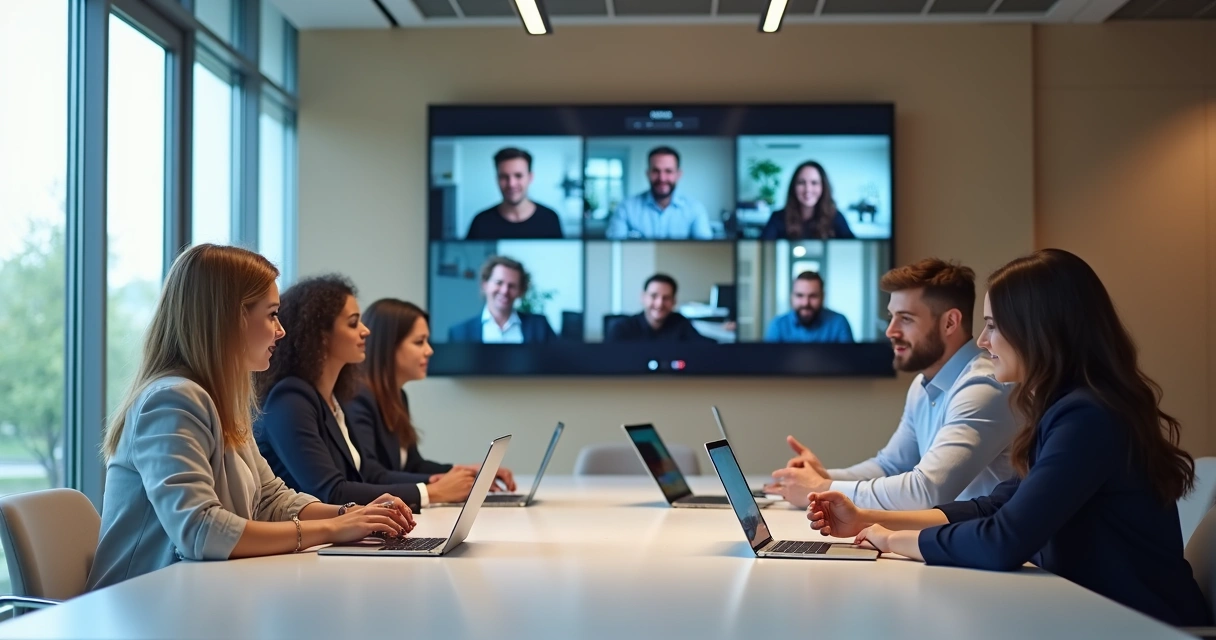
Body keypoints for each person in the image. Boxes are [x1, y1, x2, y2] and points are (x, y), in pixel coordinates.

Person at [807, 249, 1212, 627]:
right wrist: (867, 520)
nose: (983, 342)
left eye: (993, 326)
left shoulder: (1089, 417)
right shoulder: (1067, 409)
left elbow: (1004, 540)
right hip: (1093, 615)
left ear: (1039, 331)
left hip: (1143, 627)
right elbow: (992, 507)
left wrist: (893, 540)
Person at [87, 245, 414, 591]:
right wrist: (334, 529)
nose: (281, 330)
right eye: (272, 314)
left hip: (194, 596)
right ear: (230, 318)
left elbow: (272, 500)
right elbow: (201, 530)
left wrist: (351, 514)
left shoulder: (219, 400)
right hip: (137, 608)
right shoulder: (172, 400)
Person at [766, 259, 1016, 510]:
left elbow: (927, 491)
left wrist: (821, 489)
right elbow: (890, 466)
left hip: (980, 545)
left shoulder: (983, 386)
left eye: (905, 319)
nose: (890, 331)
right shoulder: (922, 384)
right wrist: (825, 477)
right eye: (891, 317)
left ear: (950, 323)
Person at [255, 275, 479, 510]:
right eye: (353, 324)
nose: (365, 331)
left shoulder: (330, 397)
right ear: (320, 335)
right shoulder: (290, 399)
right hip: (305, 544)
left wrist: (440, 480)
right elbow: (330, 491)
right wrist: (431, 492)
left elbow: (367, 473)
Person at [348, 298, 515, 497]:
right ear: (388, 346)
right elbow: (369, 474)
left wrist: (466, 472)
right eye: (419, 342)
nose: (429, 350)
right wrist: (437, 485)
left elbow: (412, 465)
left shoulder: (397, 395)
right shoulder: (357, 397)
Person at [606, 146, 713, 240]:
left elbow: (706, 251)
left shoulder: (695, 209)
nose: (662, 178)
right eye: (656, 171)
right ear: (648, 173)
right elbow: (614, 248)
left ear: (678, 174)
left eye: (668, 171)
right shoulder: (626, 208)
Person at [447, 255, 557, 344]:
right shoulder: (460, 333)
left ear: (520, 291)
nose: (505, 291)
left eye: (512, 286)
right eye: (499, 283)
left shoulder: (540, 327)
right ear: (485, 284)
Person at [465, 147, 564, 240]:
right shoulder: (480, 222)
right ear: (497, 179)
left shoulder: (550, 219)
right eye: (504, 176)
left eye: (518, 176)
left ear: (530, 177)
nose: (511, 184)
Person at [759, 161, 855, 240]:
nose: (808, 189)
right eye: (801, 183)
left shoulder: (836, 217)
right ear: (794, 187)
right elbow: (761, 249)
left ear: (823, 187)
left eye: (814, 183)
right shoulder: (777, 218)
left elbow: (855, 249)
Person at [605, 274, 714, 343]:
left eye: (666, 298)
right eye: (654, 296)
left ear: (674, 302)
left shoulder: (680, 323)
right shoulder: (622, 328)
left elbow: (705, 348)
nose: (659, 304)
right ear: (643, 298)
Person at [763, 271, 854, 343]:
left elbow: (849, 362)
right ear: (792, 297)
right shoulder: (778, 325)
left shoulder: (839, 322)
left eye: (813, 296)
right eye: (799, 295)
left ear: (823, 297)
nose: (805, 303)